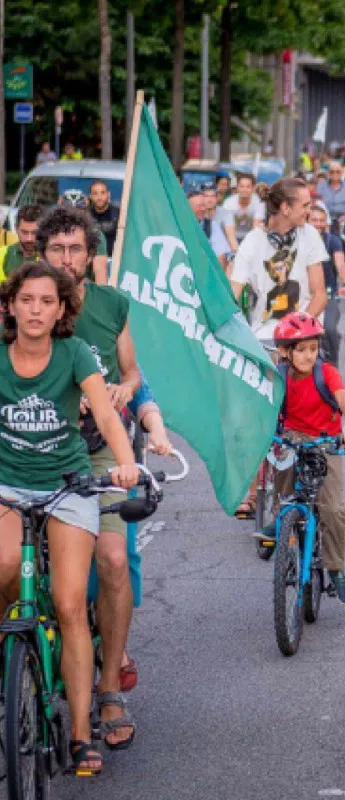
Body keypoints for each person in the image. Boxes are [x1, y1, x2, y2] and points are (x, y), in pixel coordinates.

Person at [0, 260, 139, 776]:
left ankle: (80, 732)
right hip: (8, 485)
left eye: (46, 301)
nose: (35, 310)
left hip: (66, 486)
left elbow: (104, 414)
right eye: (26, 300)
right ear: (11, 305)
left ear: (61, 310)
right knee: (5, 568)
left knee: (68, 604)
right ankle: (13, 676)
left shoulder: (75, 352)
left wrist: (124, 462)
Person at [38, 208, 148, 751]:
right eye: (56, 249)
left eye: (75, 249)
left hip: (101, 452)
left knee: (110, 559)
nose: (66, 258)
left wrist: (123, 390)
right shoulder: (28, 305)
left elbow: (131, 370)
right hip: (35, 453)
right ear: (42, 254)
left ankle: (108, 690)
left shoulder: (111, 304)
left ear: (90, 254)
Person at [269, 313, 345, 605]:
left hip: (327, 440)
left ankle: (336, 569)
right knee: (284, 482)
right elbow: (266, 405)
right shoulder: (280, 375)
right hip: (293, 435)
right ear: (285, 352)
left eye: (313, 349)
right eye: (301, 350)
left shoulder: (326, 373)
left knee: (333, 509)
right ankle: (280, 521)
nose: (308, 356)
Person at [229, 178, 329, 343]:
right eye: (304, 205)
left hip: (303, 336)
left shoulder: (310, 234)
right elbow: (233, 291)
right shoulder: (252, 242)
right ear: (285, 208)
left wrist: (298, 332)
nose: (309, 211)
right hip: (265, 337)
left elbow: (320, 295)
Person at [309, 206, 345, 360]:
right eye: (314, 220)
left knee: (330, 329)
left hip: (328, 294)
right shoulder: (300, 240)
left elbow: (340, 263)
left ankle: (332, 368)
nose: (318, 224)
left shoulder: (332, 240)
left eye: (322, 221)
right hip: (303, 295)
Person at [223, 172, 268, 253]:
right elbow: (229, 232)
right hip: (231, 238)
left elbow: (256, 227)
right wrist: (237, 252)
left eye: (248, 187)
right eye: (242, 186)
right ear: (237, 187)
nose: (244, 190)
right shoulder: (228, 203)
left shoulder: (259, 203)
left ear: (253, 188)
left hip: (250, 238)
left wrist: (250, 250)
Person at [0, 204, 46, 281]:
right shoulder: (2, 254)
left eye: (34, 232)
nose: (29, 239)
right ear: (16, 228)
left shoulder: (50, 256)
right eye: (24, 232)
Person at [88, 180, 119, 245]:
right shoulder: (85, 216)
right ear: (90, 196)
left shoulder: (119, 214)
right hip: (92, 255)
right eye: (95, 193)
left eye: (103, 193)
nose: (99, 197)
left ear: (108, 194)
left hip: (114, 255)